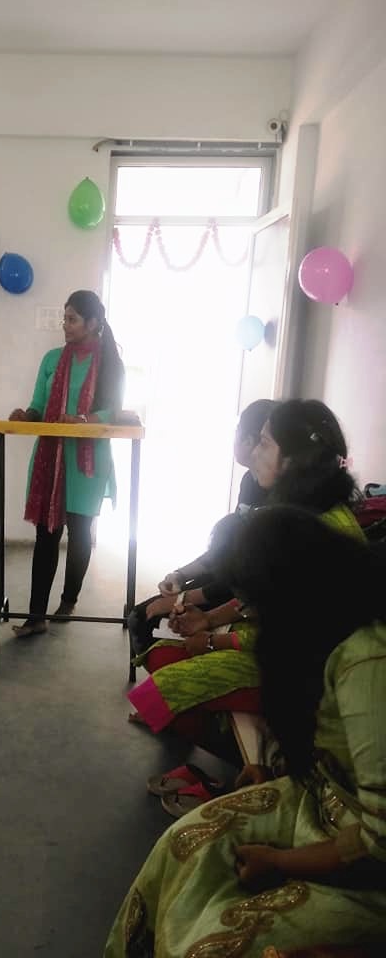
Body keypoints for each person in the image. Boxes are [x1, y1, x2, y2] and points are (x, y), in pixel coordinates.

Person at [104, 506, 386, 957]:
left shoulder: (366, 662)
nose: (251, 615)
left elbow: (378, 841)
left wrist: (281, 861)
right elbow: (332, 747)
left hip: (365, 865)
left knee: (210, 945)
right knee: (180, 845)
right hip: (319, 800)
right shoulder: (320, 622)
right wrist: (276, 770)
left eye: (256, 606)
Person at [127, 400, 365, 750]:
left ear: (293, 461)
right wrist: (207, 619)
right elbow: (262, 598)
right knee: (162, 658)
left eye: (264, 443)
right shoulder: (300, 511)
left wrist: (212, 640)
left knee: (161, 687)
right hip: (286, 649)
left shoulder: (313, 532)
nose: (254, 453)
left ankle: (261, 761)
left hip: (313, 674)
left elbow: (294, 636)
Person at [8, 290, 127, 637]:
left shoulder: (109, 362)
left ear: (92, 322)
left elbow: (112, 411)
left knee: (79, 532)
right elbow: (38, 404)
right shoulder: (51, 359)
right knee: (46, 535)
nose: (65, 324)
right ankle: (36, 617)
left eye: (72, 319)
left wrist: (83, 420)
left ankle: (69, 599)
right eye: (65, 318)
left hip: (88, 462)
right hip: (51, 458)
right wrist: (26, 415)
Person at [128, 399, 277, 657]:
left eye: (264, 443)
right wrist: (180, 575)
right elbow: (226, 551)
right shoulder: (250, 481)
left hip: (239, 592)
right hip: (229, 581)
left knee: (147, 620)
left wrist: (183, 600)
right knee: (142, 617)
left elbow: (247, 582)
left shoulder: (281, 504)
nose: (256, 451)